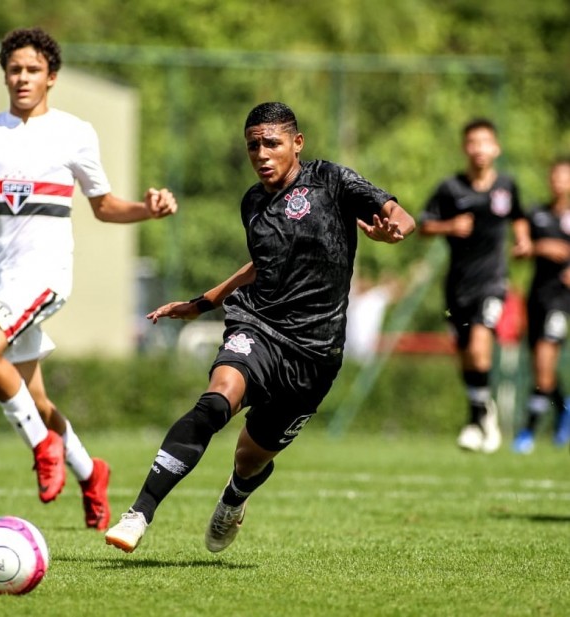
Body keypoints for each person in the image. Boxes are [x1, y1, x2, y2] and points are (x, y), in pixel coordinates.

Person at [104, 101, 415, 553]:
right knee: (214, 403)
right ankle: (139, 513)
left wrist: (394, 230)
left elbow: (399, 213)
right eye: (253, 146)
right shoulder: (252, 202)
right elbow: (260, 266)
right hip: (260, 324)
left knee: (250, 458)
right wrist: (205, 302)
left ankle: (234, 498)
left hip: (316, 353)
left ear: (296, 143)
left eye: (272, 143)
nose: (262, 154)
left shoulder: (332, 181)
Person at [0, 27, 177, 531]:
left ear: (52, 78)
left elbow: (105, 207)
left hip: (45, 277)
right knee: (36, 399)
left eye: (33, 70)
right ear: (5, 74)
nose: (23, 78)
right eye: (15, 69)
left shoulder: (74, 132)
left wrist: (147, 211)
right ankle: (92, 473)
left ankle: (43, 447)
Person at [419, 118, 532, 454]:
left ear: (495, 148)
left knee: (481, 343)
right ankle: (482, 413)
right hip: (458, 286)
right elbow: (424, 224)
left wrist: (523, 240)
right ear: (465, 147)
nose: (479, 148)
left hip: (493, 282)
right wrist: (449, 226)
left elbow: (520, 216)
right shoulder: (451, 188)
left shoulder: (506, 186)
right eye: (472, 142)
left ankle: (477, 418)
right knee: (467, 354)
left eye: (485, 142)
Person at [513, 158, 570, 453]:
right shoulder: (538, 215)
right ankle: (564, 410)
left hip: (561, 302)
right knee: (540, 368)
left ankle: (528, 431)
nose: (558, 181)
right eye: (555, 176)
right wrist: (539, 247)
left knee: (544, 365)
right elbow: (519, 251)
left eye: (564, 176)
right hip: (536, 298)